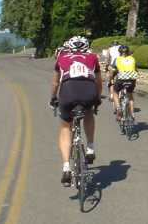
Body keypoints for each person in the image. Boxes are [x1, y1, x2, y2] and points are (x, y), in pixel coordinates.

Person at [50, 36, 102, 186]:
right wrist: (97, 98)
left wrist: (53, 98)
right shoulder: (92, 57)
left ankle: (66, 167)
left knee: (66, 126)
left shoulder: (61, 57)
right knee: (89, 113)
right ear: (86, 47)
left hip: (68, 91)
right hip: (88, 91)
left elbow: (55, 82)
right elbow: (98, 81)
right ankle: (90, 147)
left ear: (69, 47)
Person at [111, 45, 138, 122]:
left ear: (119, 52)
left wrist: (111, 78)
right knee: (130, 96)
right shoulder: (132, 59)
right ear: (128, 51)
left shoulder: (117, 59)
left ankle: (119, 108)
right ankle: (132, 114)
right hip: (131, 80)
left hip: (121, 79)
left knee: (115, 92)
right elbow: (135, 69)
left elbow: (112, 71)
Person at [106, 40, 121, 112]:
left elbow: (108, 59)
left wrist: (107, 66)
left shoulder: (109, 49)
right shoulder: (121, 48)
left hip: (113, 66)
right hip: (122, 67)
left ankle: (112, 94)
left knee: (111, 80)